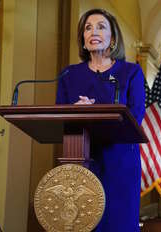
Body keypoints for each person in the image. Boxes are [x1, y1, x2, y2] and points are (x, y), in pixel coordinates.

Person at [56, 8, 145, 231]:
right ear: (84, 41)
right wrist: (74, 111)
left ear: (112, 38)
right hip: (81, 161)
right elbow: (59, 116)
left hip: (120, 164)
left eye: (101, 26)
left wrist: (95, 110)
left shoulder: (131, 72)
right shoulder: (69, 74)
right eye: (88, 28)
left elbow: (135, 116)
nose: (93, 31)